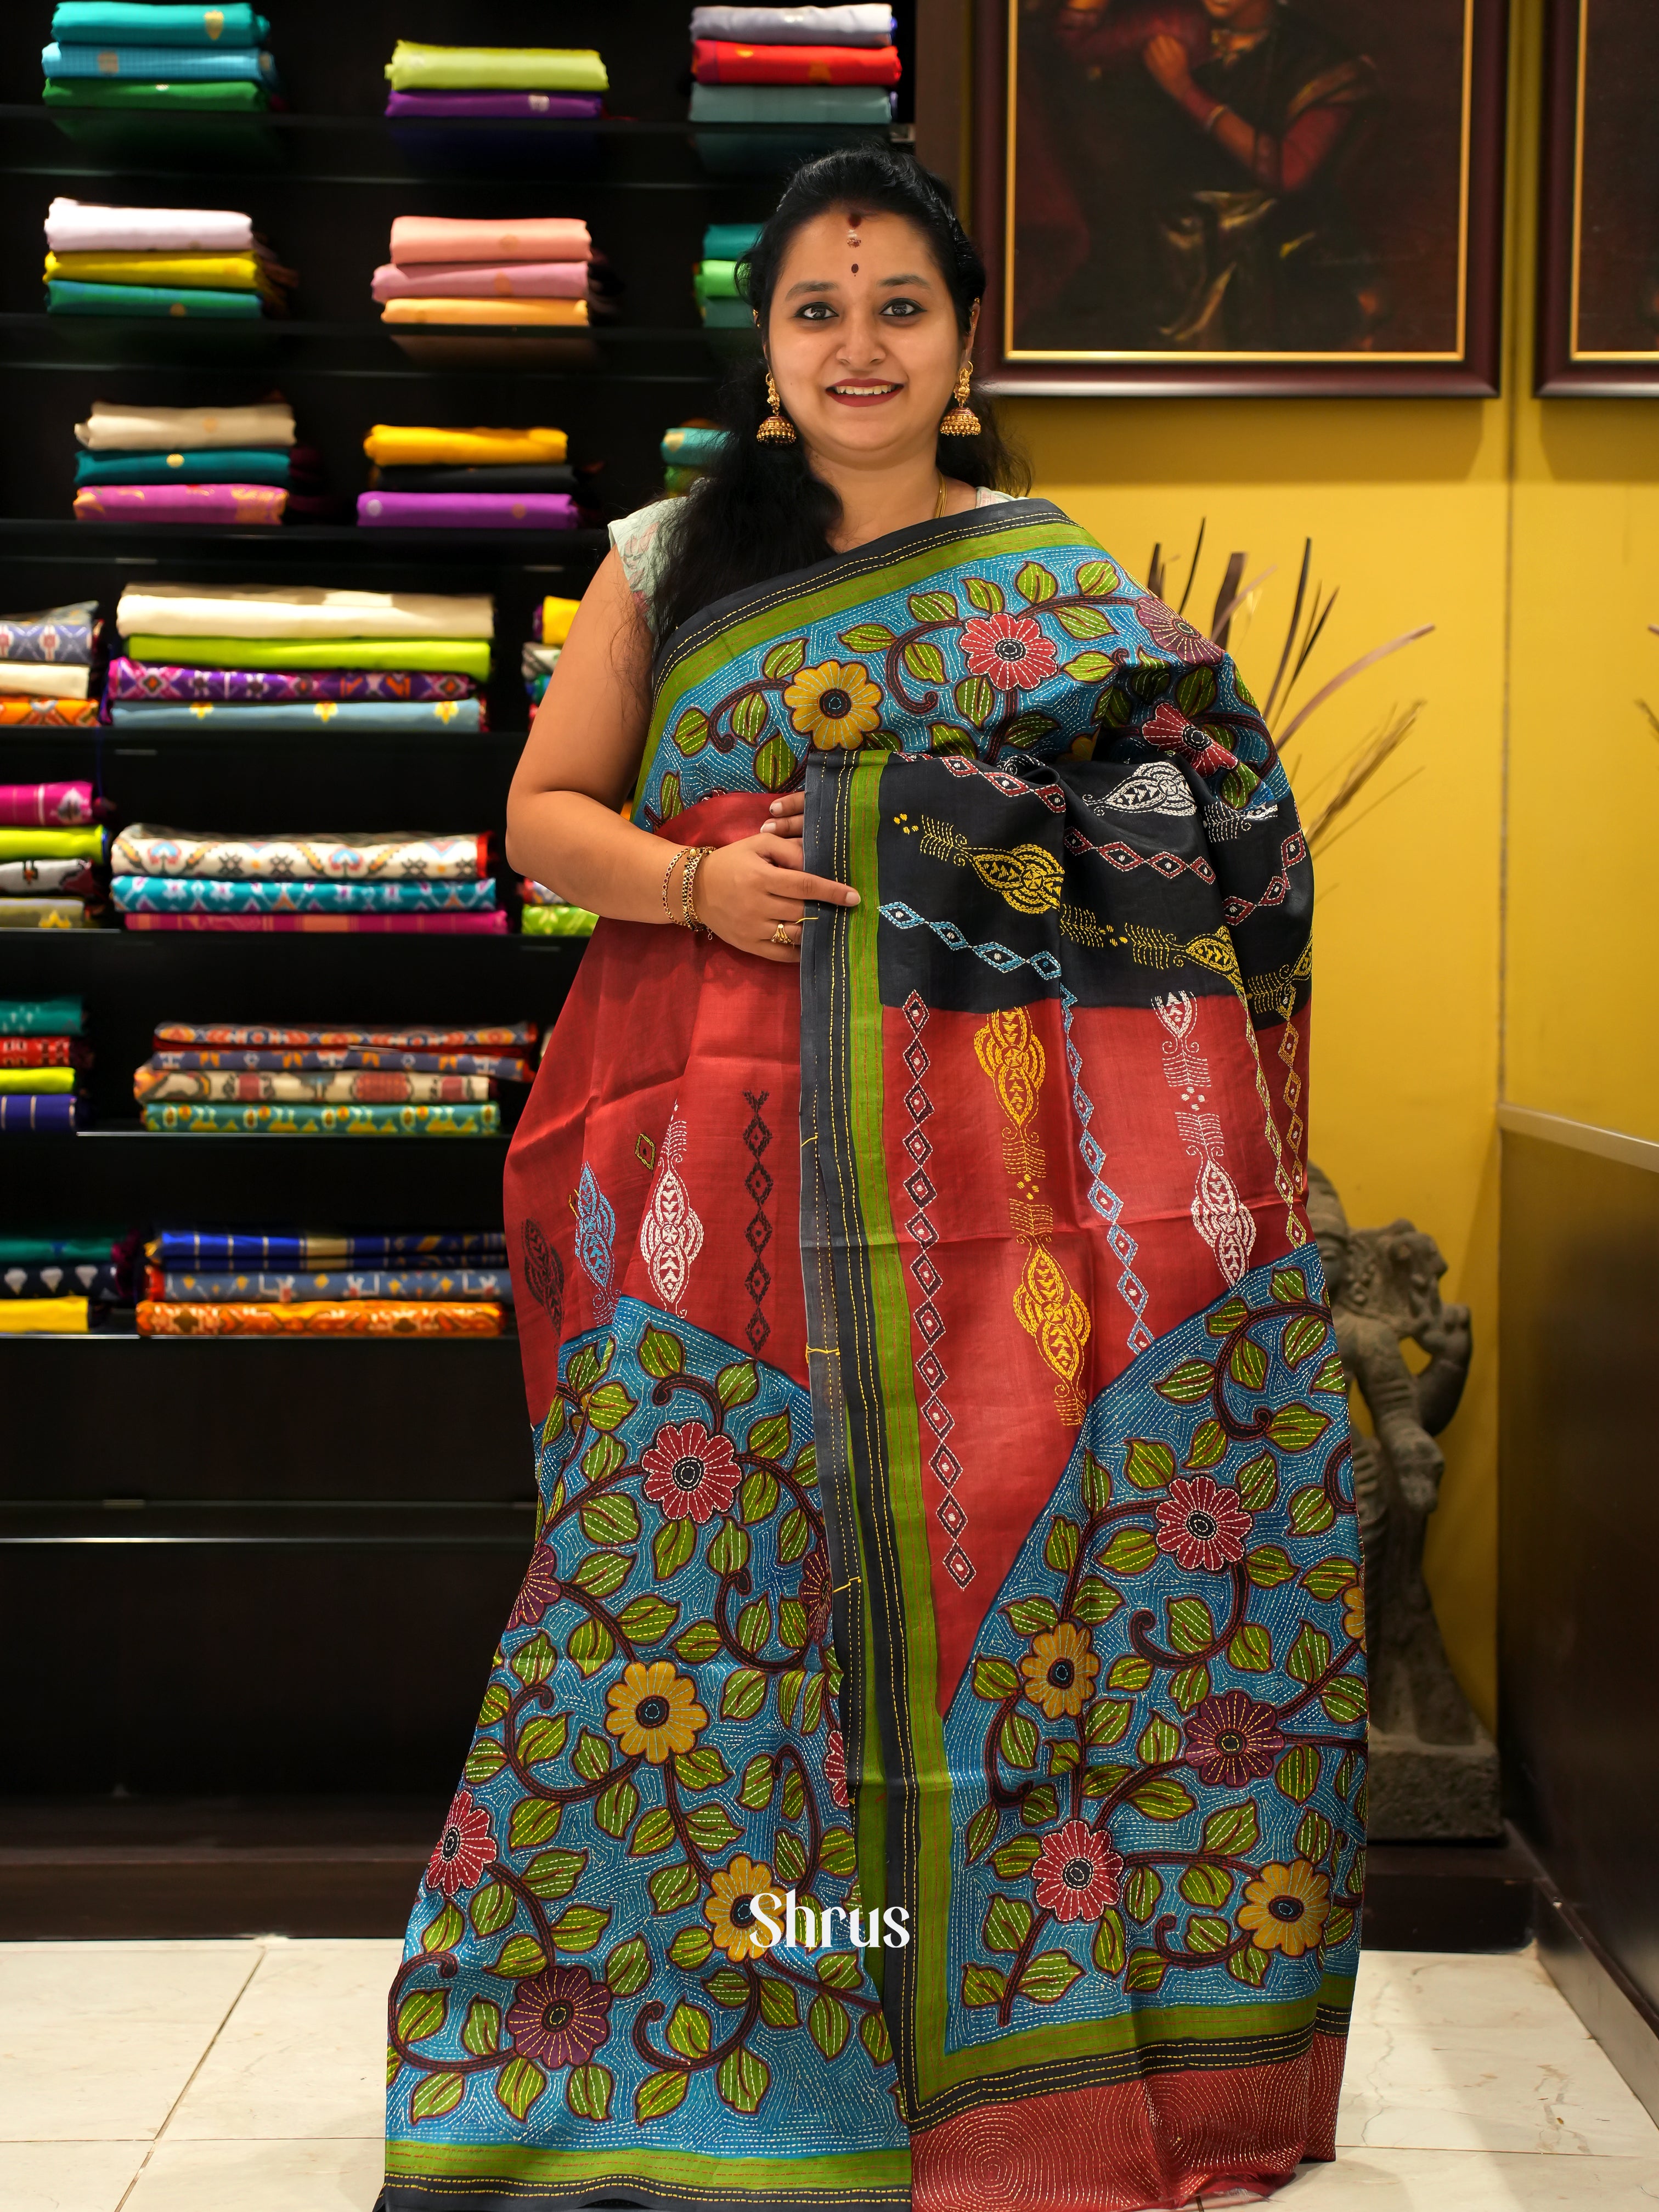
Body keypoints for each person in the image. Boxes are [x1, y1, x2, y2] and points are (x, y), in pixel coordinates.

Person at [377, 145, 1365, 2212]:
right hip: (715, 1188)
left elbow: (1225, 823)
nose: (857, 345)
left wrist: (1025, 812)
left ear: (964, 343)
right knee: (693, 1606)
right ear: (764, 352)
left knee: (1033, 1608)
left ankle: (1008, 2082)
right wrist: (693, 876)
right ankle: (688, 2065)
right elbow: (540, 817)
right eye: (816, 309)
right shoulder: (665, 561)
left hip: (1006, 1206)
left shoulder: (1064, 587)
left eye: (896, 305)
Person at [1024, 0, 1379, 351]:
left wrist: (1184, 91)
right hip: (1170, 223)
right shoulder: (1179, 24)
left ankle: (1353, 310)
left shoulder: (1319, 60)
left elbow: (1287, 171)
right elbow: (1077, 43)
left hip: (1269, 234)